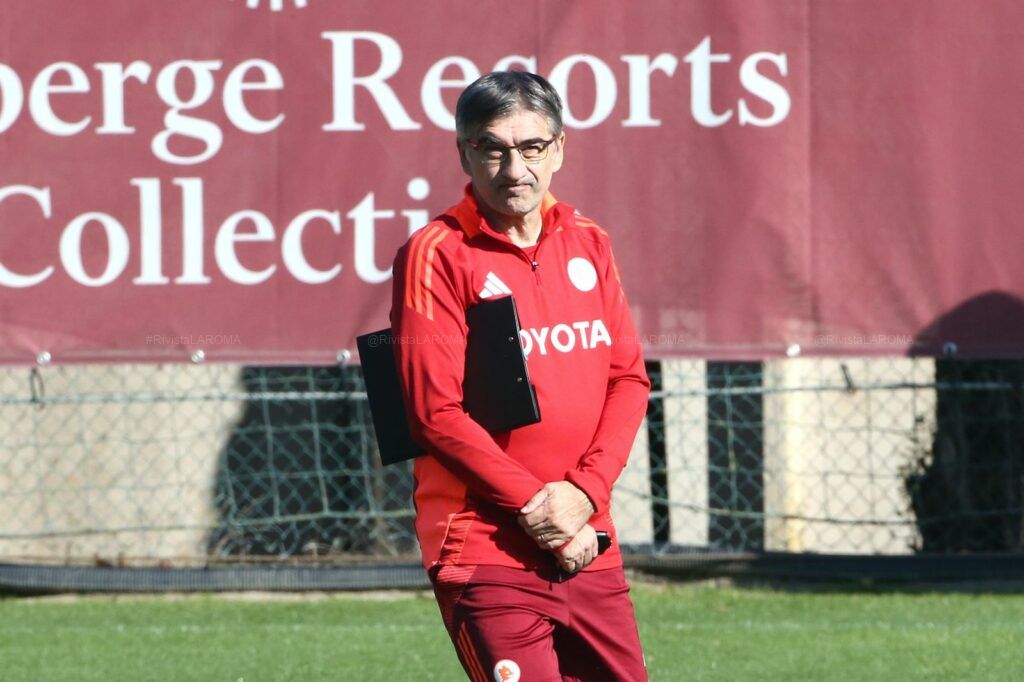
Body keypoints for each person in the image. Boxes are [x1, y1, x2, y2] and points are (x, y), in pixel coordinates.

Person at [390, 70, 650, 682]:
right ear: (465, 152)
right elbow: (434, 413)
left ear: (559, 149)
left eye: (532, 148)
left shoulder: (590, 243)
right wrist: (540, 508)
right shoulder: (436, 252)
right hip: (487, 547)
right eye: (493, 149)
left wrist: (584, 497)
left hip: (588, 539)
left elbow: (629, 380)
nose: (515, 169)